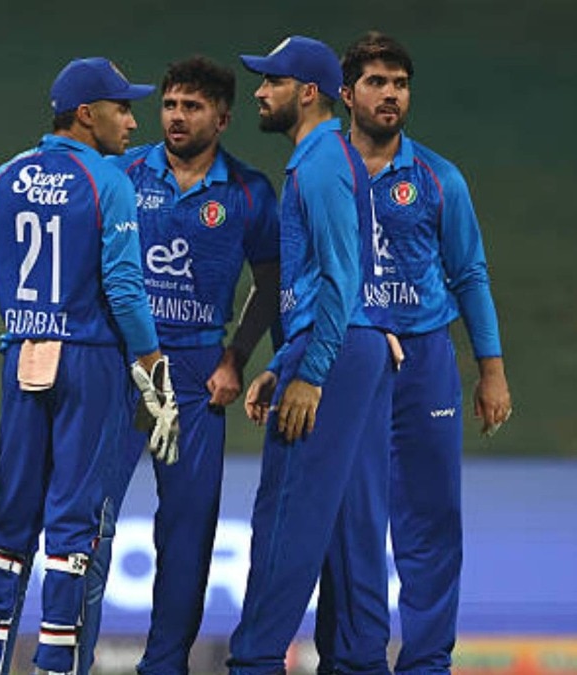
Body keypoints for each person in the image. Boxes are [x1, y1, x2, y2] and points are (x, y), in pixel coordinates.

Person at [0, 57, 178, 675]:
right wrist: (153, 367)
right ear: (87, 114)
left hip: (21, 359)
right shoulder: (108, 181)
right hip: (89, 361)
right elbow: (122, 286)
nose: (132, 120)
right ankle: (56, 664)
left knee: (9, 515)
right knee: (73, 522)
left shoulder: (3, 179)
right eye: (122, 107)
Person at [314, 32, 513, 675]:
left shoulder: (437, 177)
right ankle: (354, 660)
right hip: (349, 360)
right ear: (347, 94)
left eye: (399, 83)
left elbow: (470, 273)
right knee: (350, 522)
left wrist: (491, 371)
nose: (391, 94)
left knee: (430, 520)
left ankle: (428, 662)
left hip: (425, 364)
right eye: (377, 82)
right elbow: (300, 268)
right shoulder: (321, 172)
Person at [76, 55, 282, 675]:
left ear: (221, 117)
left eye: (191, 107)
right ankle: (70, 657)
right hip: (119, 364)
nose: (175, 117)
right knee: (89, 522)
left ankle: (163, 666)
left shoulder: (248, 192)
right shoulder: (120, 173)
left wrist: (236, 356)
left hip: (196, 374)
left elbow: (271, 280)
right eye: (169, 105)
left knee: (188, 535)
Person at [226, 36, 396, 675]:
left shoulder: (321, 161)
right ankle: (358, 664)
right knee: (352, 525)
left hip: (338, 347)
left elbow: (340, 277)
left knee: (286, 518)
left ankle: (255, 662)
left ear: (308, 92)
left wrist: (310, 370)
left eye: (271, 82)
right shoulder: (330, 157)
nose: (260, 94)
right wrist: (281, 361)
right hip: (352, 344)